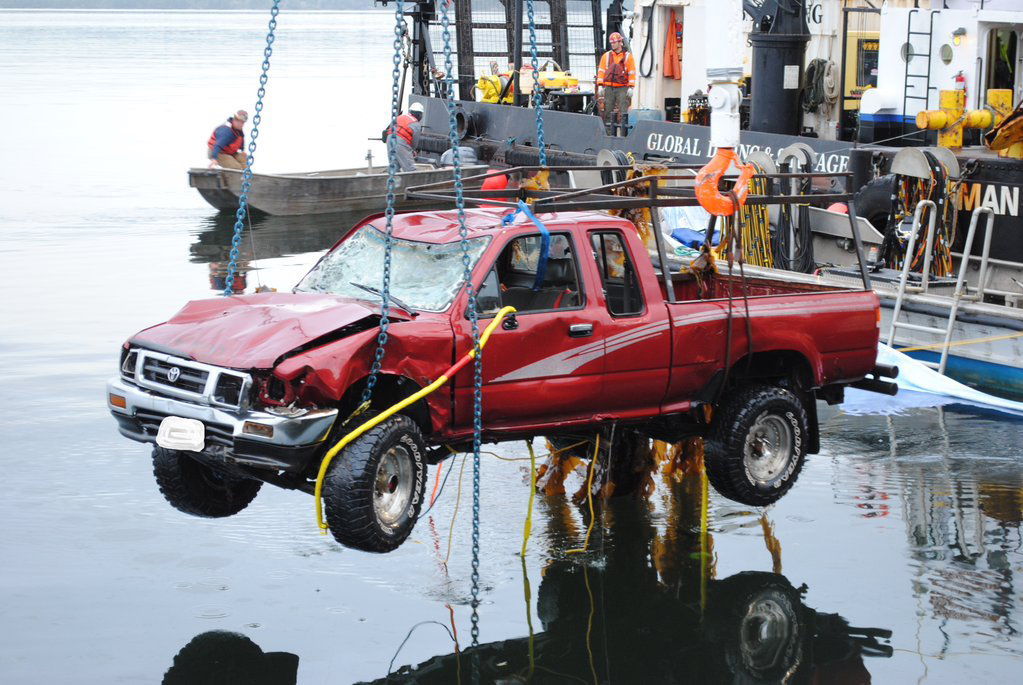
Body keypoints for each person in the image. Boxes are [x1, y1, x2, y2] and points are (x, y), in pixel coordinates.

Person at [596, 32, 636, 135]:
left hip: (623, 88)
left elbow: (632, 72)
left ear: (620, 42)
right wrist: (600, 86)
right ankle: (608, 134)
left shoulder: (628, 57)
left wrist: (631, 87)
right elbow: (601, 71)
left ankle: (623, 135)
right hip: (609, 87)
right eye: (611, 43)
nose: (612, 44)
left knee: (623, 112)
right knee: (607, 111)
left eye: (614, 42)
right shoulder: (606, 56)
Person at [386, 102, 424, 172]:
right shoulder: (415, 124)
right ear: (419, 115)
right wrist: (412, 150)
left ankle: (391, 180)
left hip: (389, 139)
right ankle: (414, 181)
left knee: (394, 165)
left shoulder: (400, 117)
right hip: (401, 142)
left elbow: (390, 128)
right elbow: (414, 142)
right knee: (410, 168)